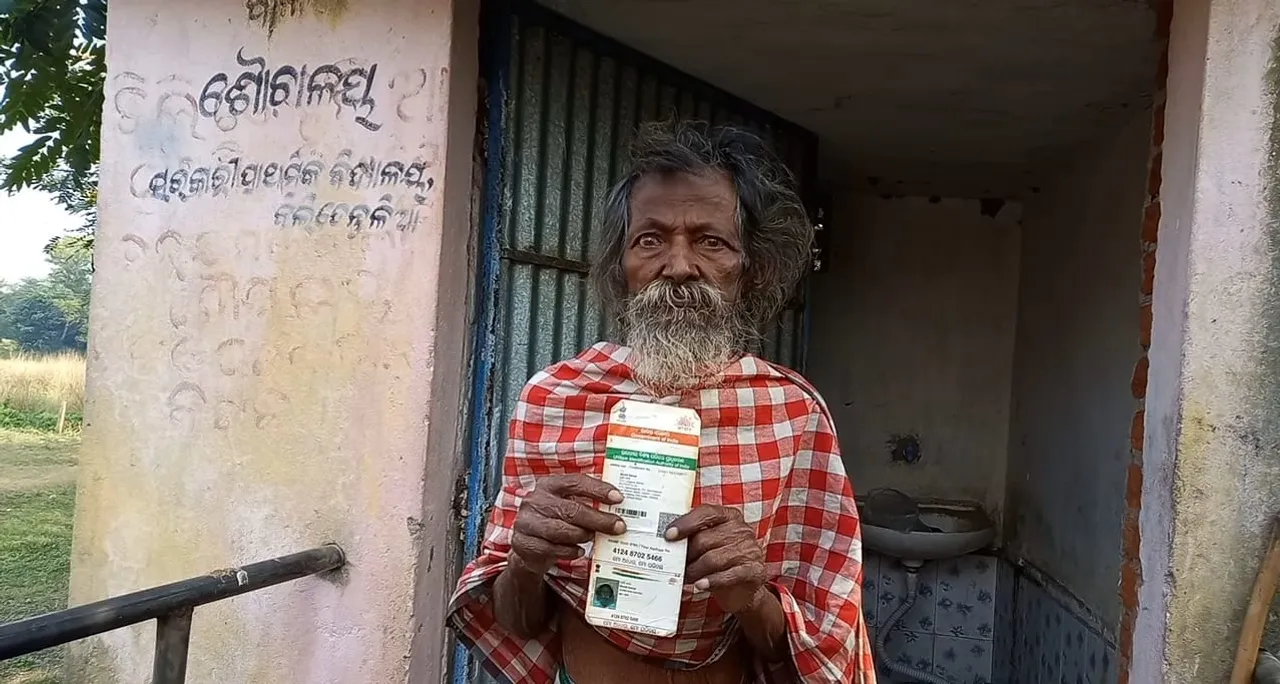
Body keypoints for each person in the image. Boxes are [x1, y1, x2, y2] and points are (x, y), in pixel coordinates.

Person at [448, 120, 875, 684]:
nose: (677, 266)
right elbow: (516, 620)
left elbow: (811, 644)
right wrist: (526, 561)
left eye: (711, 241)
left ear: (749, 269)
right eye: (650, 239)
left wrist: (750, 595)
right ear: (620, 267)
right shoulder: (554, 397)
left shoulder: (793, 415)